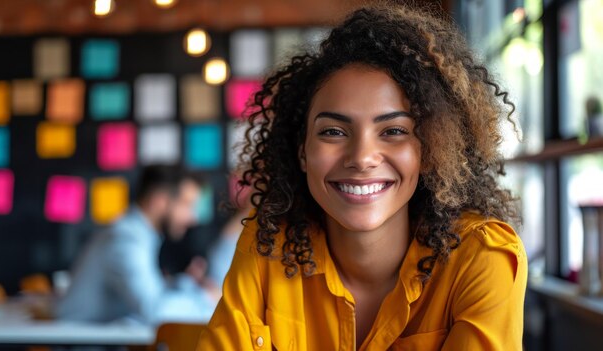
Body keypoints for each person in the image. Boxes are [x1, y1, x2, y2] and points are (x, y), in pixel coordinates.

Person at [197, 2, 527, 351]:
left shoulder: (481, 256)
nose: (362, 158)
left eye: (394, 130)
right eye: (334, 132)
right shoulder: (266, 248)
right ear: (302, 153)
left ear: (429, 152)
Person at [56, 165, 218, 324]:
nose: (193, 218)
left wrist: (186, 285)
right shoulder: (125, 239)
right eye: (186, 205)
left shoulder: (140, 235)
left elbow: (152, 295)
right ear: (159, 201)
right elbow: (154, 311)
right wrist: (207, 300)